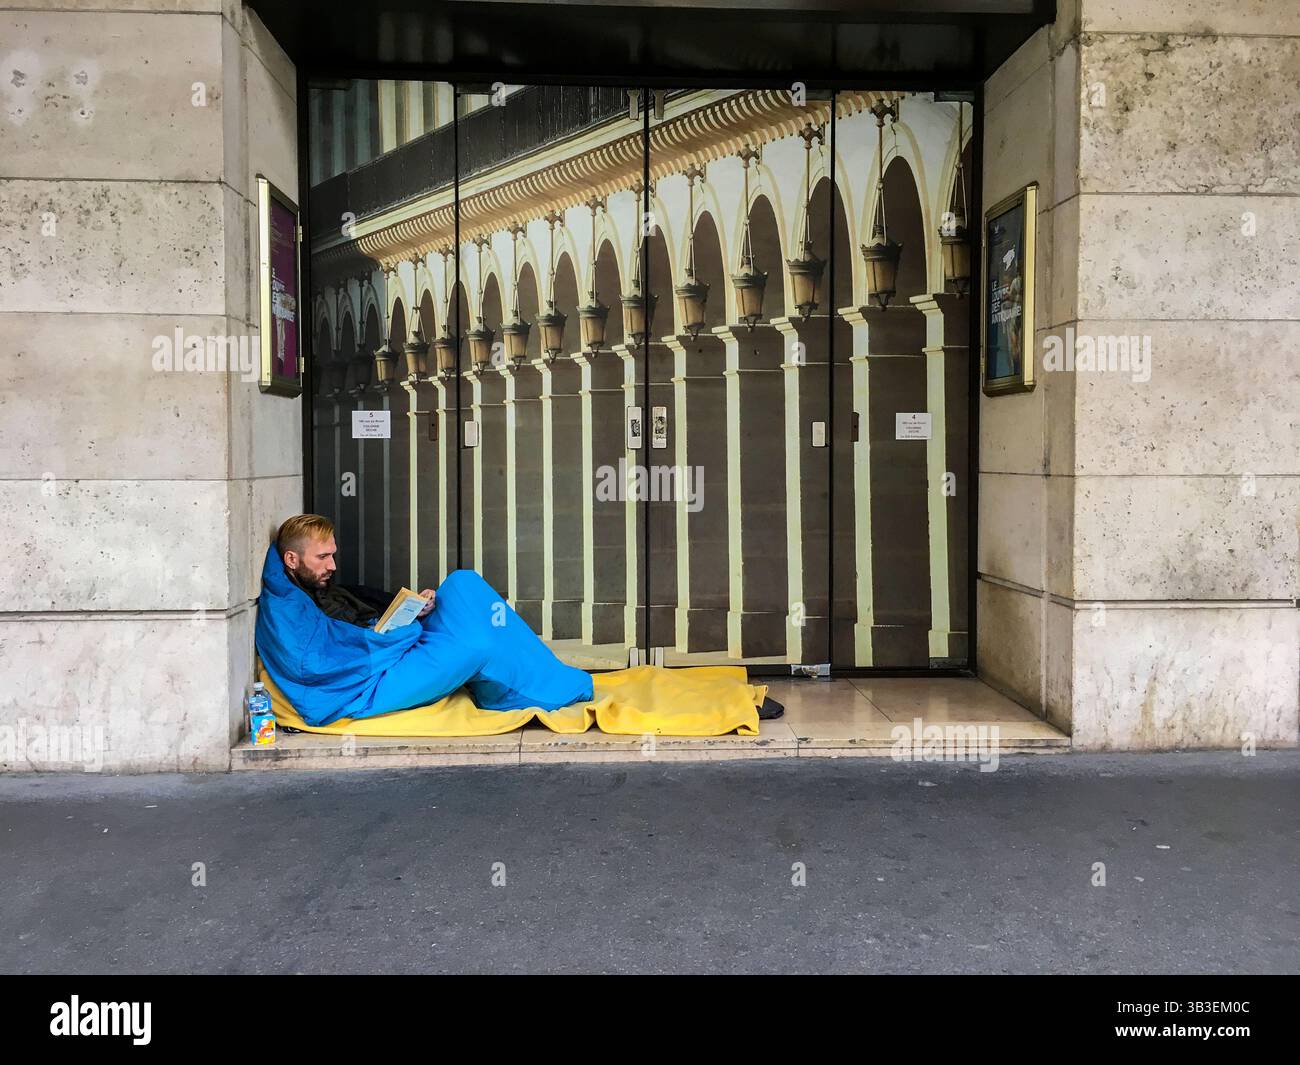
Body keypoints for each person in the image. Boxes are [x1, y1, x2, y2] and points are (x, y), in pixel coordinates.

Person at [255, 514, 783, 727]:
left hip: (389, 647)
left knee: (462, 584)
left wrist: (411, 610)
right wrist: (395, 633)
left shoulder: (312, 586)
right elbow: (318, 665)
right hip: (365, 684)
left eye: (333, 555)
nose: (332, 565)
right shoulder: (290, 608)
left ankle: (529, 679)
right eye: (323, 558)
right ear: (292, 561)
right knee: (474, 648)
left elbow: (359, 619)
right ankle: (564, 687)